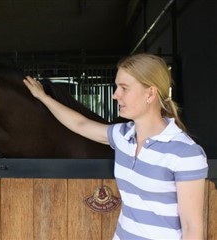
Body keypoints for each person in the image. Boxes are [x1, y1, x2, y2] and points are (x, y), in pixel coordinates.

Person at [23, 53, 208, 240]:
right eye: (116, 87)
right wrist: (43, 98)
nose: (115, 95)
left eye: (124, 88)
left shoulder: (185, 153)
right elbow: (80, 124)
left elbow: (191, 228)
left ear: (150, 93)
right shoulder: (123, 135)